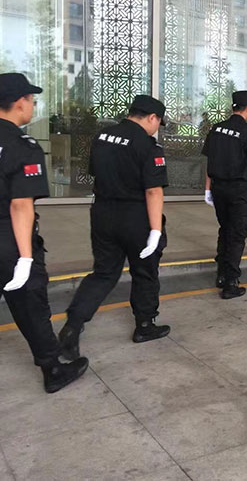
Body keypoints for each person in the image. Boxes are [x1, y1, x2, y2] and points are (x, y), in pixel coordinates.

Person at [59, 95, 171, 361]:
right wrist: (155, 231)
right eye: (158, 122)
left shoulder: (102, 137)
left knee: (104, 273)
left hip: (103, 213)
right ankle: (145, 325)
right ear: (152, 118)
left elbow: (97, 173)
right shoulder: (148, 146)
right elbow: (153, 191)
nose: (157, 128)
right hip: (136, 217)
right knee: (144, 271)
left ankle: (72, 325)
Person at [0, 73, 88, 393]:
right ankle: (53, 369)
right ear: (19, 102)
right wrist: (25, 258)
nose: (33, 106)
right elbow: (20, 205)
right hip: (9, 240)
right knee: (30, 305)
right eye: (32, 100)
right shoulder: (22, 145)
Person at [203, 91, 247, 299]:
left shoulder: (216, 129)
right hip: (239, 191)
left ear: (233, 107)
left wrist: (207, 188)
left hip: (218, 188)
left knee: (225, 229)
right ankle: (231, 283)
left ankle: (221, 274)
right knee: (237, 235)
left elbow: (210, 161)